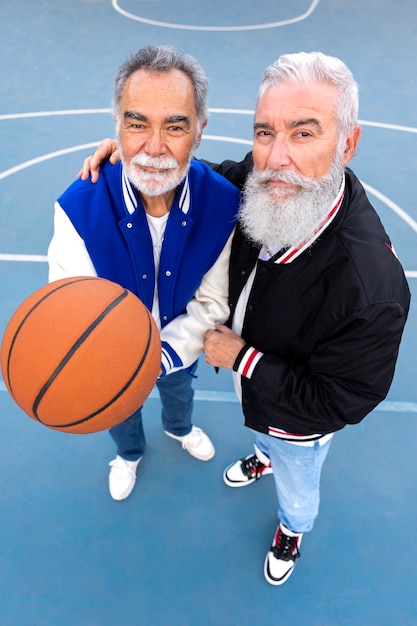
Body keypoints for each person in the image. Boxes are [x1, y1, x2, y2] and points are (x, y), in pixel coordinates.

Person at [80, 52, 410, 586]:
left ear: (347, 143)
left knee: (297, 475)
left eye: (304, 134)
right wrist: (136, 159)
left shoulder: (371, 288)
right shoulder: (264, 184)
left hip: (298, 424)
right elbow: (210, 178)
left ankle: (291, 529)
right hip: (250, 387)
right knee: (262, 434)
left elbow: (340, 401)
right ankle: (262, 453)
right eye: (264, 133)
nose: (276, 158)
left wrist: (242, 358)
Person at [48, 45, 241, 501]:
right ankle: (129, 453)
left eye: (175, 127)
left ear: (199, 132)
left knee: (179, 394)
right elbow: (70, 307)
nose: (154, 148)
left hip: (179, 344)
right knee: (119, 410)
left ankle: (179, 429)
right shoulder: (77, 208)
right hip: (110, 358)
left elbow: (212, 302)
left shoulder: (224, 206)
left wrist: (160, 357)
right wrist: (119, 361)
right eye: (137, 125)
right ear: (116, 124)